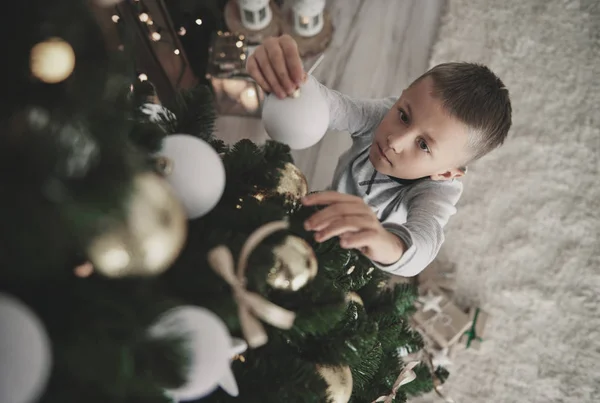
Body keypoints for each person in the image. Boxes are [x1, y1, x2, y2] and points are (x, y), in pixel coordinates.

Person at [246, 35, 512, 277]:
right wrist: (294, 84)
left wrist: (388, 244)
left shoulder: (436, 191)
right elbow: (336, 107)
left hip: (374, 255)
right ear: (402, 96)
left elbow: (425, 240)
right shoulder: (383, 115)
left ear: (445, 173)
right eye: (404, 116)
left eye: (423, 145)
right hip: (333, 200)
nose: (395, 140)